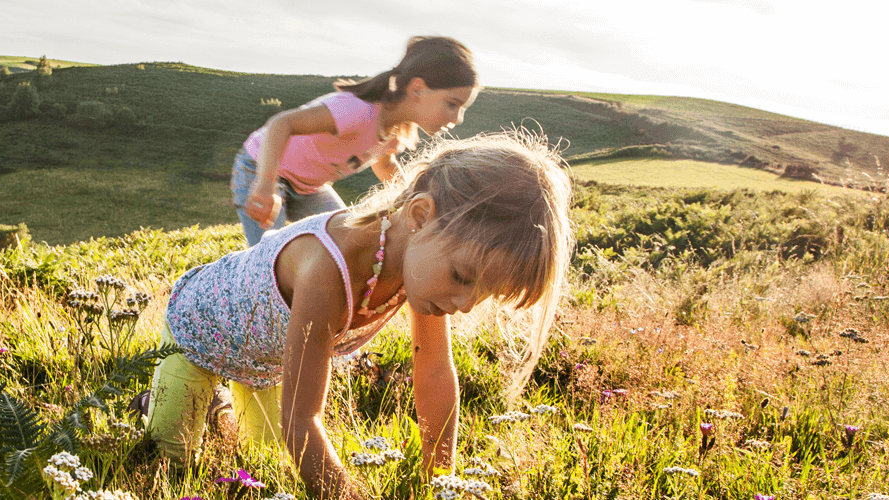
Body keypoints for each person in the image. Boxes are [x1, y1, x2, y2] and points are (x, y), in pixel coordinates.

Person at [151, 131, 574, 498]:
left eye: (486, 293)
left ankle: (220, 407)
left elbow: (434, 375)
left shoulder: (422, 269)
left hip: (263, 363)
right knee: (171, 460)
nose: (465, 304)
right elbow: (302, 421)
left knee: (264, 466)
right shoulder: (326, 271)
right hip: (198, 331)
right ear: (421, 215)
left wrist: (439, 482)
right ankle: (156, 402)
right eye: (464, 277)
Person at [235, 36, 480, 246]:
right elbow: (281, 124)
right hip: (263, 168)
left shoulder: (395, 126)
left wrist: (411, 199)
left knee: (348, 238)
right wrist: (265, 184)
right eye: (452, 104)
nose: (458, 118)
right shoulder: (357, 110)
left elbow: (384, 165)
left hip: (309, 187)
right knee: (268, 253)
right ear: (417, 89)